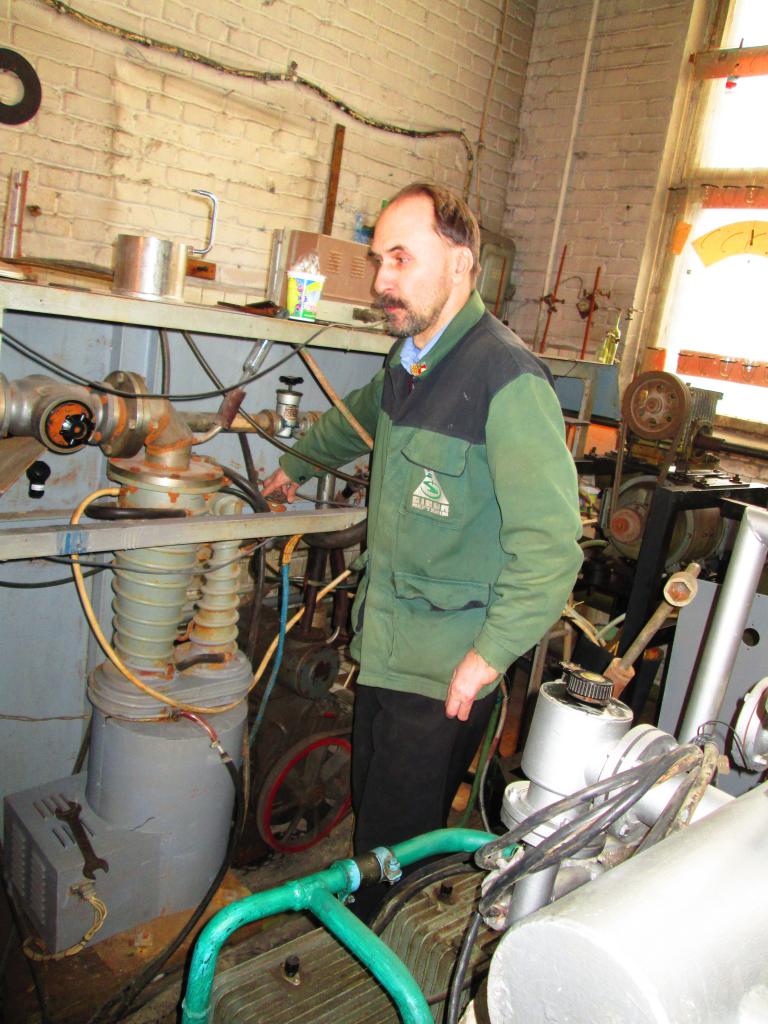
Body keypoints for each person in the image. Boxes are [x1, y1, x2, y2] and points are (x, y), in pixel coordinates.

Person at [261, 182, 583, 916]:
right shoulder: (409, 360)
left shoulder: (506, 379)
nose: (382, 281)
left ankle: (389, 950)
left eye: (401, 259)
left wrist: (488, 656)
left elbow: (551, 546)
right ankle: (375, 924)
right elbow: (357, 418)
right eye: (379, 260)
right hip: (387, 640)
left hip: (447, 669)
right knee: (374, 819)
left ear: (460, 264)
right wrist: (294, 466)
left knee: (398, 848)